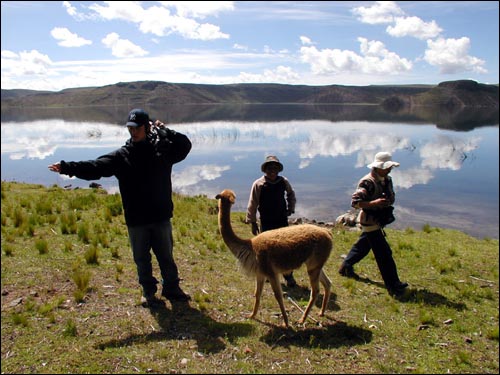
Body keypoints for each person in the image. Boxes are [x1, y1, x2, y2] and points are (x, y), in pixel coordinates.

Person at [48, 108, 192, 307]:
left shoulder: (162, 151)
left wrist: (165, 131)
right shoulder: (122, 156)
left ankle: (172, 288)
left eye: (137, 128)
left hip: (160, 216)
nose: (133, 132)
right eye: (130, 128)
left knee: (166, 256)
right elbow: (95, 167)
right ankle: (148, 292)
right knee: (142, 259)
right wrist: (67, 167)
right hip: (136, 219)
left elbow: (185, 145)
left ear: (147, 127)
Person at [338, 151, 408, 297]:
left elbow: (390, 196)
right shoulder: (367, 182)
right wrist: (374, 203)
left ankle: (346, 266)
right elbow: (355, 202)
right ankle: (393, 285)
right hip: (370, 221)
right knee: (384, 254)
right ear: (378, 167)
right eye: (387, 167)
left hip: (379, 219)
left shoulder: (386, 179)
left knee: (363, 246)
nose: (390, 169)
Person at [246, 155, 298, 287]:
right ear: (265, 169)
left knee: (286, 247)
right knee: (267, 250)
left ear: (278, 169)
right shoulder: (259, 184)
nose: (272, 170)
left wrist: (290, 208)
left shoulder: (283, 181)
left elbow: (291, 194)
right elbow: (253, 203)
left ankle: (288, 276)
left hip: (281, 219)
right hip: (266, 221)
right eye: (270, 167)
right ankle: (270, 273)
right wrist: (252, 222)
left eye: (275, 167)